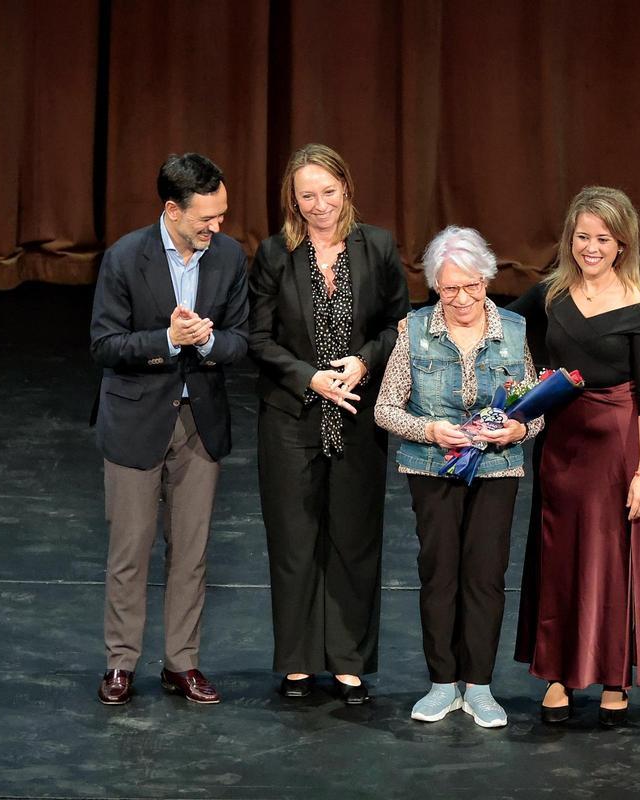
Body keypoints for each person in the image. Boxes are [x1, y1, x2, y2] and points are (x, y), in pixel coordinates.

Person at [510, 185, 640, 726]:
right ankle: (559, 674)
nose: (591, 247)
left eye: (603, 238)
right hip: (561, 446)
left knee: (614, 566)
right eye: (582, 236)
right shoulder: (551, 295)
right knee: (560, 560)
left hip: (619, 451)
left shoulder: (639, 308)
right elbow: (498, 326)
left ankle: (613, 677)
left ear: (622, 243)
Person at [249, 143, 410, 704]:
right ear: (292, 201)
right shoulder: (274, 254)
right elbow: (259, 340)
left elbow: (399, 324)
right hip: (292, 417)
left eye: (328, 192)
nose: (319, 205)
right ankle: (297, 661)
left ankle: (347, 660)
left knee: (354, 539)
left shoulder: (379, 247)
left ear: (346, 187)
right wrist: (308, 378)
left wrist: (365, 360)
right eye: (306, 196)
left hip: (359, 417)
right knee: (294, 540)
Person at [90, 153, 249, 706]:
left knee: (192, 550)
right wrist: (167, 341)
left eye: (222, 215)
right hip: (136, 420)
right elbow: (105, 345)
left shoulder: (229, 257)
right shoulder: (125, 257)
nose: (217, 227)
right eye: (207, 218)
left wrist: (205, 342)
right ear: (172, 211)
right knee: (129, 550)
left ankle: (181, 663)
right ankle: (120, 663)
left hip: (198, 423)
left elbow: (241, 341)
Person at [375, 226, 543, 728]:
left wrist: (518, 427)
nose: (462, 298)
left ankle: (481, 686)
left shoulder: (513, 330)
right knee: (439, 573)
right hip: (433, 468)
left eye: (472, 286)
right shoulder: (414, 330)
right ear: (435, 287)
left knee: (486, 577)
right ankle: (443, 684)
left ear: (487, 281)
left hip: (496, 468)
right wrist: (432, 429)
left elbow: (535, 410)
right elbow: (386, 409)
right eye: (450, 289)